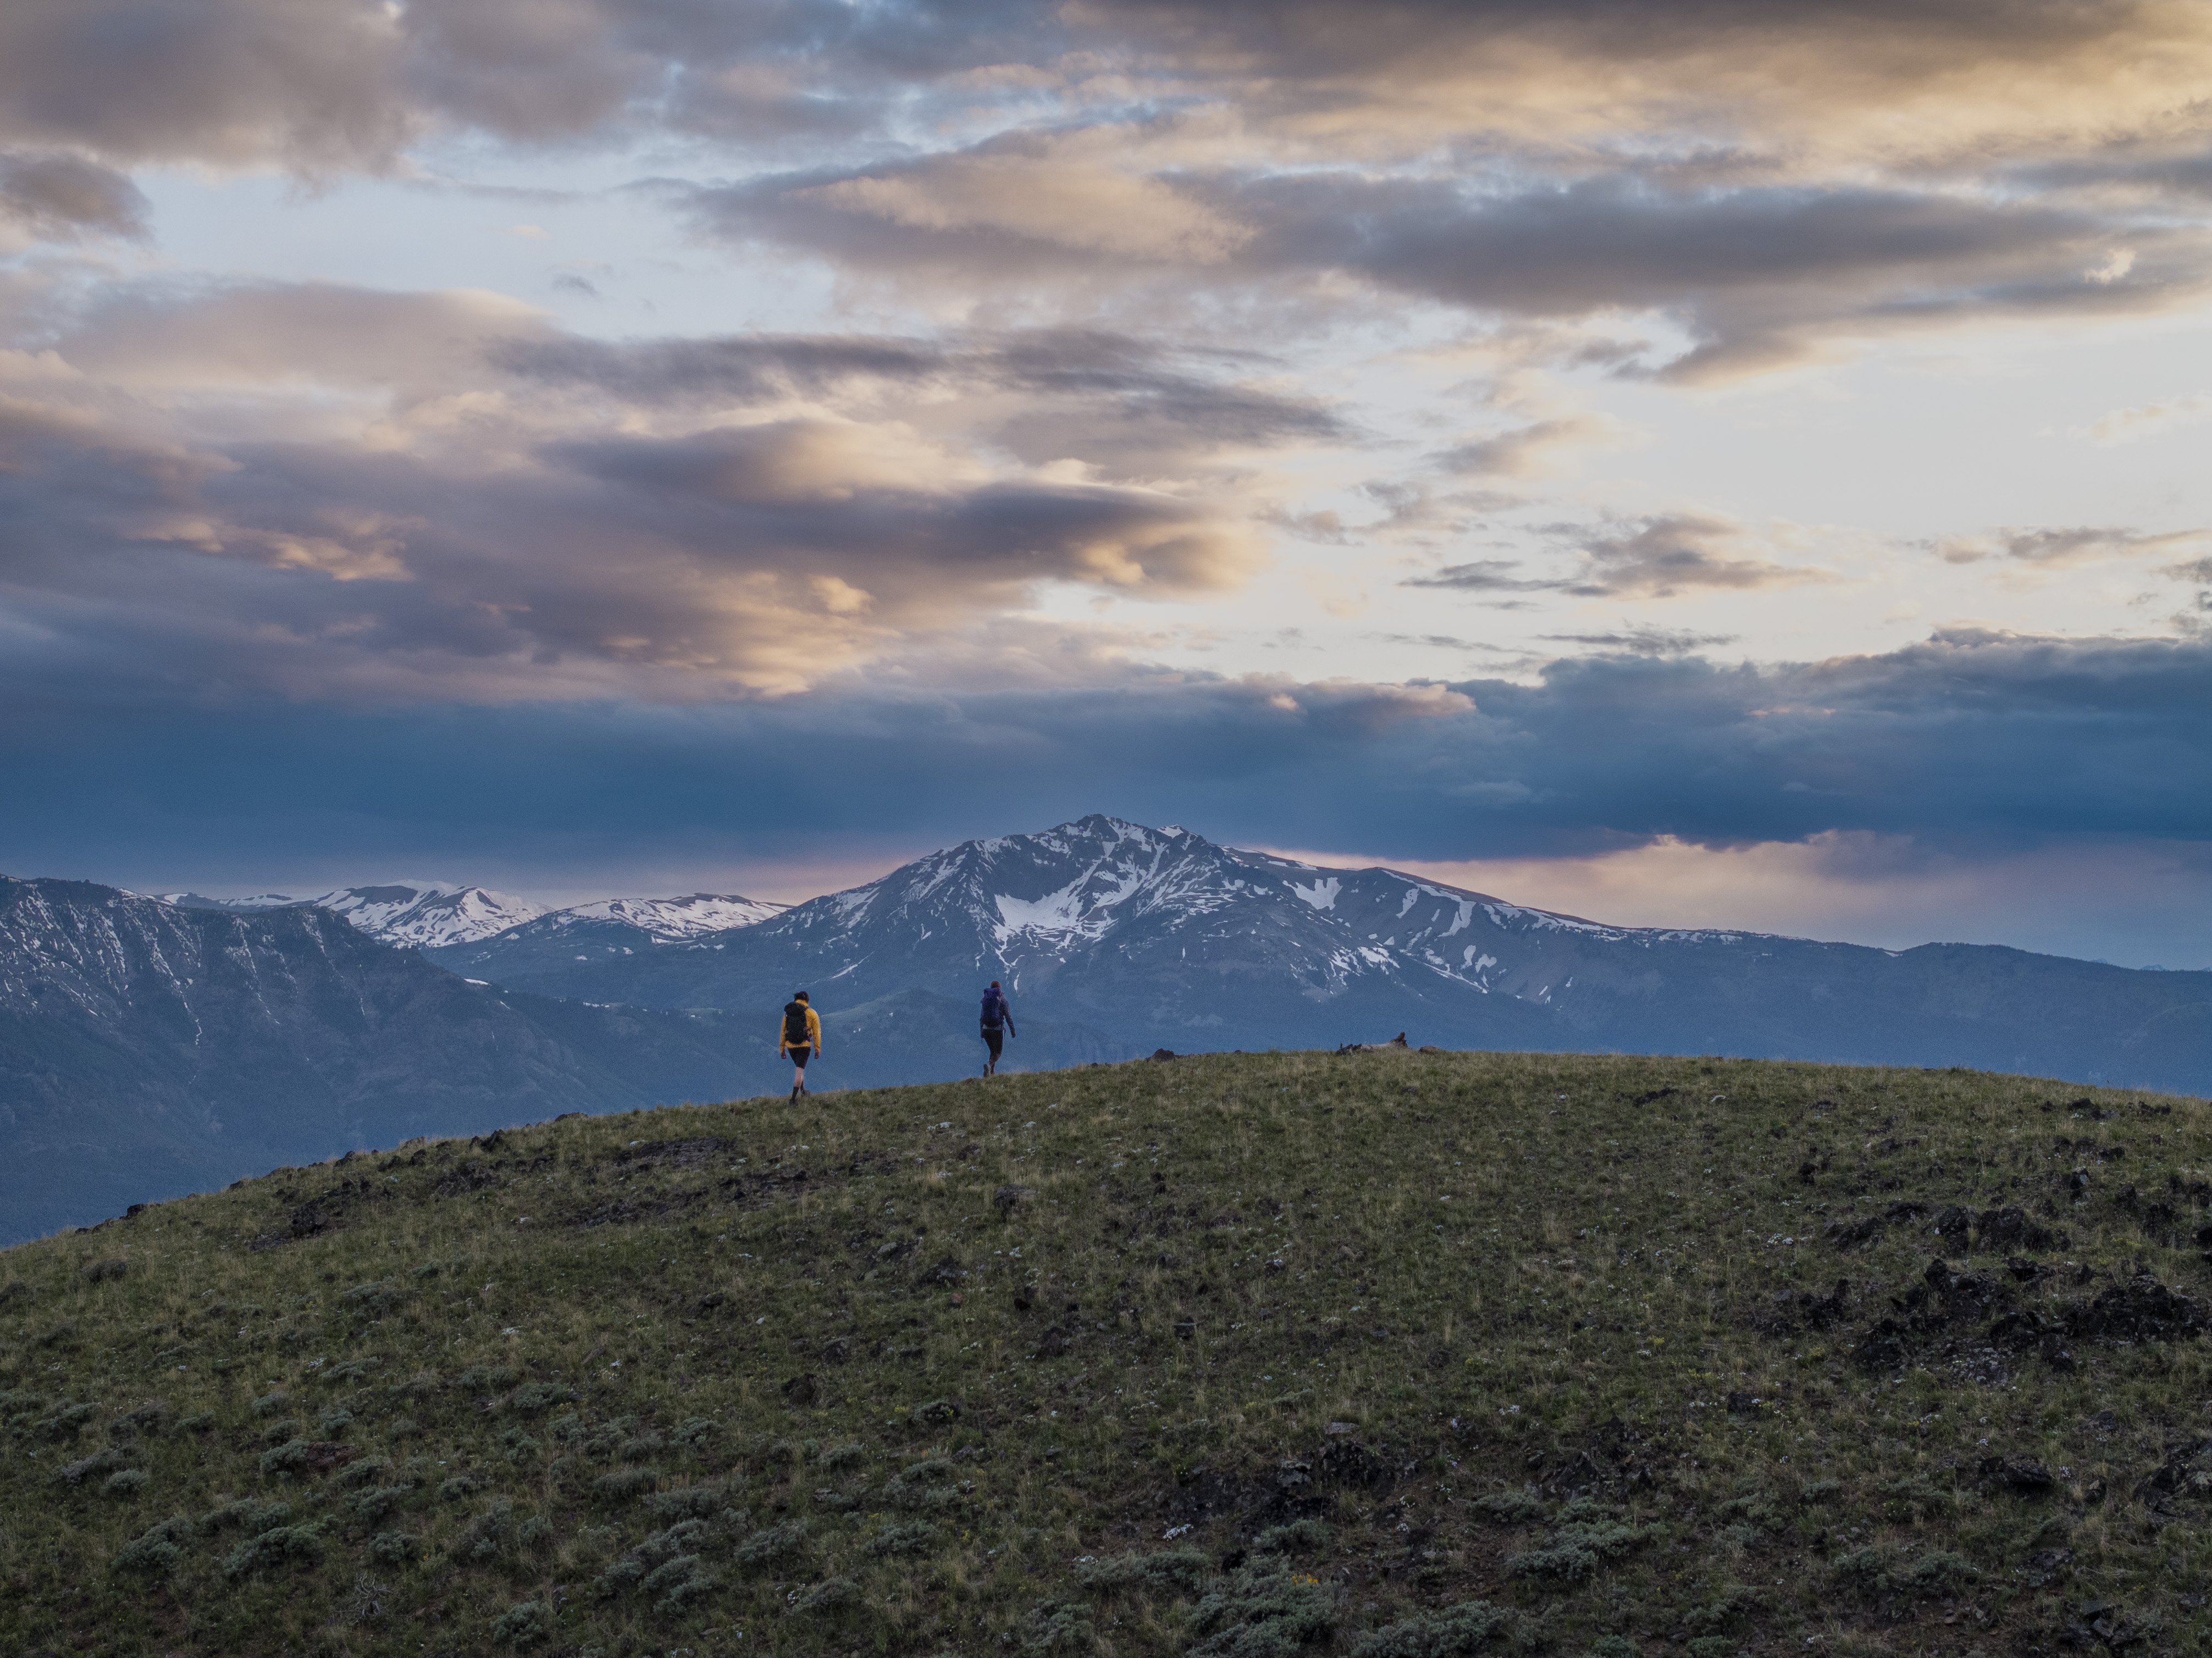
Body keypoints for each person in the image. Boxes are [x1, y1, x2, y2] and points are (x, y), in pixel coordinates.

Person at [779, 990, 821, 1100]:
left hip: (791, 1046)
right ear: (807, 1000)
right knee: (799, 1071)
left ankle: (803, 1091)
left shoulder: (788, 1013)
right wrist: (817, 1049)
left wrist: (782, 1049)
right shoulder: (812, 1013)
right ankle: (793, 1099)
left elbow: (783, 1030)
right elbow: (817, 1033)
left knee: (799, 1068)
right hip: (804, 1046)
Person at [979, 980, 1015, 1076]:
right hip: (997, 1030)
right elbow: (1008, 1017)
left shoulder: (986, 999)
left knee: (993, 1051)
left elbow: (982, 1017)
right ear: (999, 988)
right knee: (998, 1053)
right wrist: (1013, 1031)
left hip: (986, 1030)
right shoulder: (1003, 1000)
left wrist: (981, 1031)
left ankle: (989, 1073)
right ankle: (989, 1065)